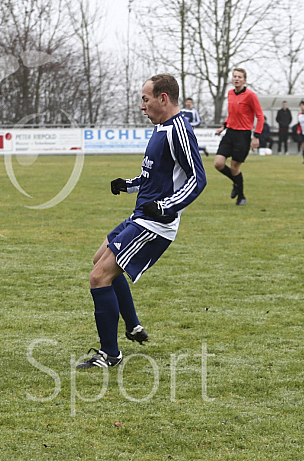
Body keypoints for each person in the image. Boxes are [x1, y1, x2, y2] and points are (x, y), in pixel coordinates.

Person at [77, 74, 207, 369]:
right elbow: (156, 176)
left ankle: (110, 355)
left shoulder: (179, 131)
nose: (141, 106)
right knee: (100, 260)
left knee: (99, 277)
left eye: (145, 99)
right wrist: (129, 184)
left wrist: (165, 207)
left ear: (163, 98)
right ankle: (133, 324)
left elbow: (198, 179)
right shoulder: (161, 128)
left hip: (156, 224)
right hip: (142, 215)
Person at [214, 68, 264, 206]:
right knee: (218, 163)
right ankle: (236, 182)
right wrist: (223, 126)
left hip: (243, 135)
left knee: (235, 167)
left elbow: (260, 116)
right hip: (230, 133)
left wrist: (256, 136)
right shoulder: (230, 93)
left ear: (244, 80)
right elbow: (232, 114)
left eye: (239, 77)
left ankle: (241, 196)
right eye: (235, 76)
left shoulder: (250, 95)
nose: (236, 79)